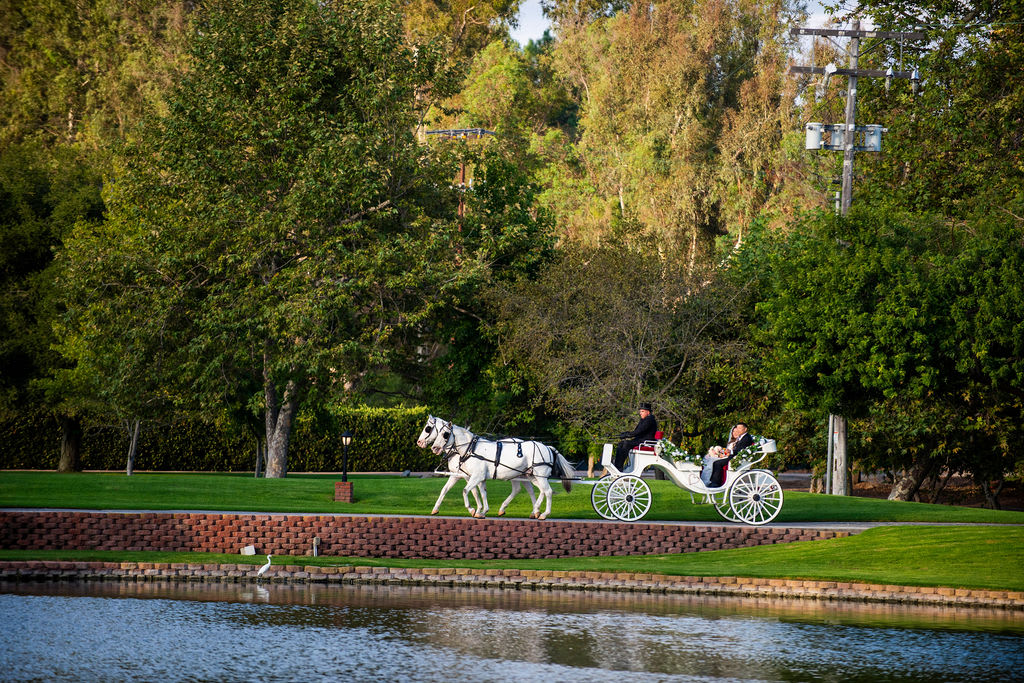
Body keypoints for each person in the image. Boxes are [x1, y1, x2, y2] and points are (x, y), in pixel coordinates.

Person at [703, 423, 755, 487]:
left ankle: (716, 483)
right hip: (733, 456)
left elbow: (741, 449)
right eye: (737, 428)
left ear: (745, 429)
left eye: (739, 428)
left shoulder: (746, 438)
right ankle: (713, 481)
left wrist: (731, 451)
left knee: (717, 463)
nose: (738, 430)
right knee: (714, 461)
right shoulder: (742, 437)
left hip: (736, 457)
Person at [615, 403, 658, 471]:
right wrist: (626, 433)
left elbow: (639, 431)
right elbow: (637, 431)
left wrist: (628, 435)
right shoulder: (644, 420)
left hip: (646, 441)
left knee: (626, 443)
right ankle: (617, 466)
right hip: (640, 440)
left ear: (648, 412)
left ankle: (619, 467)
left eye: (642, 411)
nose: (640, 413)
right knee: (621, 443)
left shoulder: (649, 420)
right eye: (640, 411)